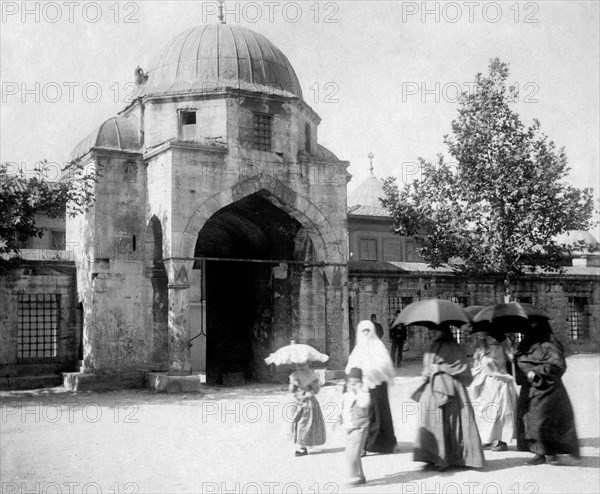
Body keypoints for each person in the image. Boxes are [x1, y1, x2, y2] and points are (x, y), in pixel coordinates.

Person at [412, 323, 485, 471]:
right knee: (432, 422)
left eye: (436, 330)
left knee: (450, 422)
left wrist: (441, 367)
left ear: (444, 331)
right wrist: (427, 371)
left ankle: (451, 458)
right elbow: (427, 365)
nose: (433, 333)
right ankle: (433, 456)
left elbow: (462, 367)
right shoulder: (432, 346)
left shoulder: (453, 347)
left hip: (452, 390)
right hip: (432, 389)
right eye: (432, 330)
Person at [514, 317, 579, 465]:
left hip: (547, 390)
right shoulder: (525, 344)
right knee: (529, 420)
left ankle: (544, 452)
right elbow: (519, 364)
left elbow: (558, 365)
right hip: (529, 389)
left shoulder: (550, 343)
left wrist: (538, 373)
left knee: (542, 420)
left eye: (534, 325)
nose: (531, 328)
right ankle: (541, 451)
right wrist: (511, 361)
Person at [346, 320, 397, 454]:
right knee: (364, 416)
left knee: (381, 414)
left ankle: (386, 444)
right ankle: (364, 445)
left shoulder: (378, 346)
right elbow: (351, 368)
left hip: (378, 386)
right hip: (362, 387)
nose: (366, 334)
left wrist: (376, 372)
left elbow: (386, 364)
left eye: (368, 330)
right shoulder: (358, 349)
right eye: (363, 331)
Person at [468, 329, 517, 452]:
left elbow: (502, 362)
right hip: (485, 383)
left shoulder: (501, 345)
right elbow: (477, 366)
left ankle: (500, 441)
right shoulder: (482, 347)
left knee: (498, 411)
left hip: (498, 382)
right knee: (484, 411)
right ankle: (488, 438)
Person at [339, 367, 371, 487]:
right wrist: (337, 419)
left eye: (356, 383)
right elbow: (342, 408)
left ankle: (353, 476)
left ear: (361, 383)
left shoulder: (363, 395)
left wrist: (360, 391)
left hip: (360, 428)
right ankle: (360, 474)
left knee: (352, 453)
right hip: (349, 427)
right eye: (351, 383)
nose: (353, 385)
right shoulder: (347, 395)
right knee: (354, 452)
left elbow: (364, 404)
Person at [289, 363, 326, 456]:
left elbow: (316, 389)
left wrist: (307, 394)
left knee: (304, 423)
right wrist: (294, 384)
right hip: (298, 402)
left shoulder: (312, 375)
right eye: (299, 364)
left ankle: (303, 446)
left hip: (309, 403)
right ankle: (301, 444)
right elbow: (291, 390)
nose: (301, 366)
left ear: (307, 364)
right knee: (297, 423)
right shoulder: (294, 375)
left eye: (303, 364)